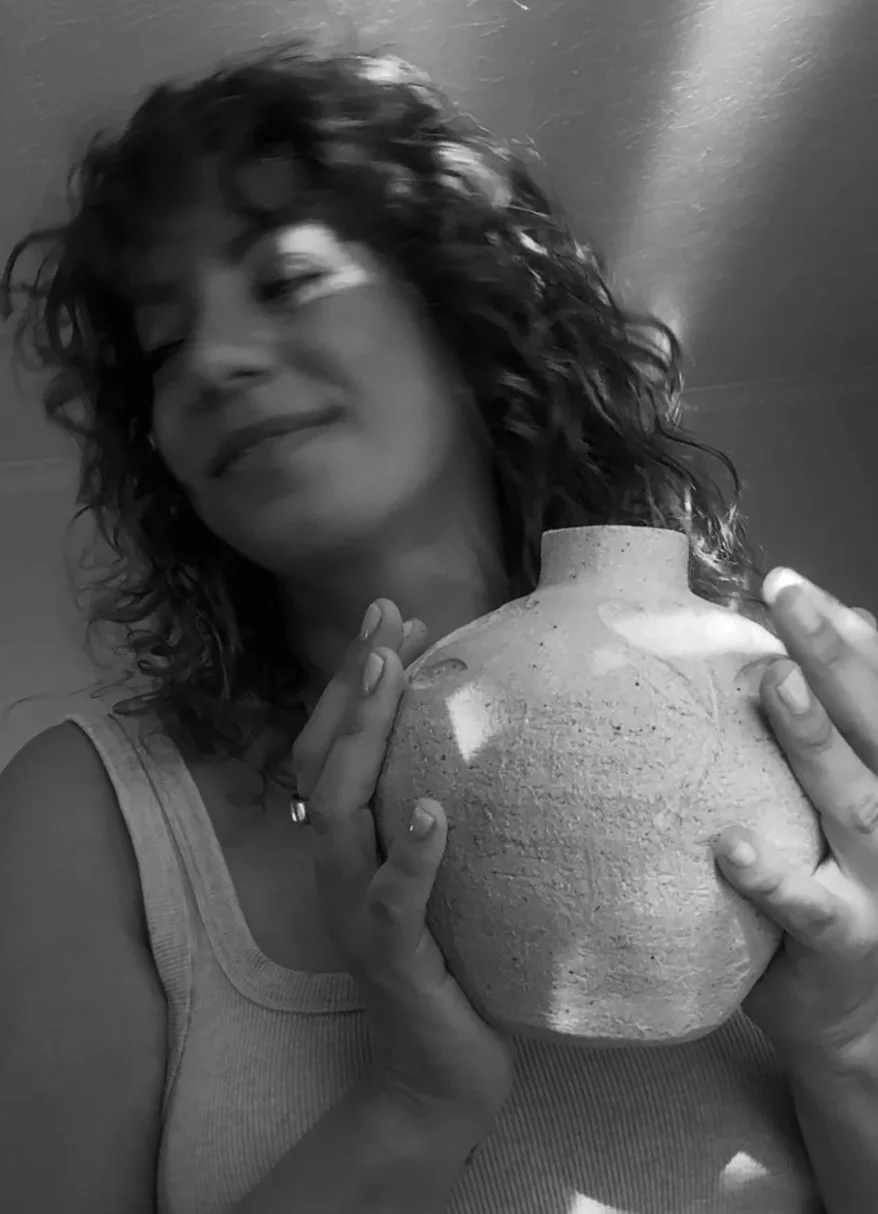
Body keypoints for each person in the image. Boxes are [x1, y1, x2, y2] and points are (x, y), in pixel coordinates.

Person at [1, 35, 877, 1214]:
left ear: (465, 319)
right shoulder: (85, 817)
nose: (209, 362)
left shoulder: (804, 750)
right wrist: (409, 1106)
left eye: (286, 280)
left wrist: (852, 1041)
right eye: (164, 346)